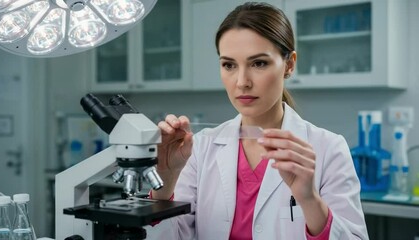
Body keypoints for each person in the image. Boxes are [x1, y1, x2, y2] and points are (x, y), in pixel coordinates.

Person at [147, 2, 368, 240]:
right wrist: (165, 182)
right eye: (229, 65)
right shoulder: (198, 149)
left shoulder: (328, 148)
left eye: (258, 63)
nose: (242, 81)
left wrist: (309, 200)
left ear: (289, 64)